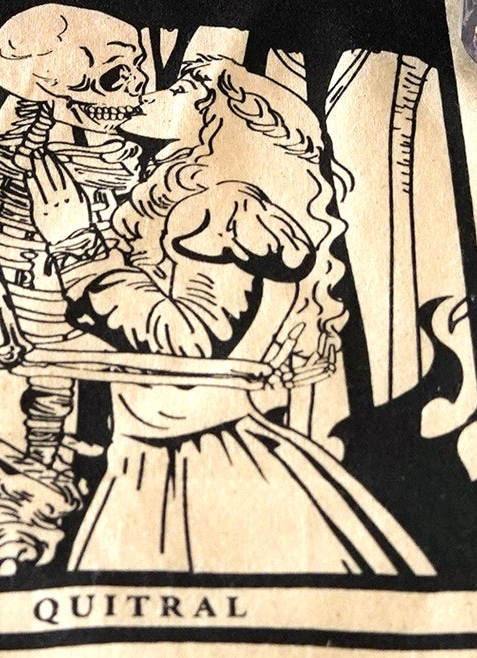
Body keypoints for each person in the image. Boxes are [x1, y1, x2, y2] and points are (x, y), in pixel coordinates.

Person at [24, 59, 433, 577]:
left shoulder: (222, 209)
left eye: (184, 91)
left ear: (215, 119)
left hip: (196, 462)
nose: (153, 93)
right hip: (146, 456)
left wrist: (76, 245)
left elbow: (188, 339)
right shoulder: (194, 201)